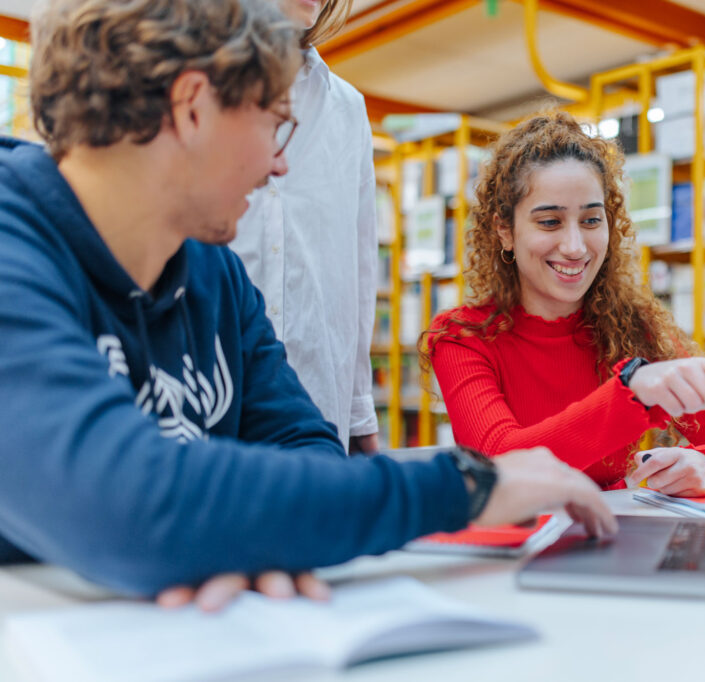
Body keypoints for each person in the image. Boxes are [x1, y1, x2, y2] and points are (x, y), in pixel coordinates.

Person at [0, 0, 615, 607]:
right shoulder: (13, 256)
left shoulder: (216, 275)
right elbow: (123, 503)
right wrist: (468, 487)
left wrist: (253, 535)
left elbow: (308, 449)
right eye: (274, 122)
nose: (279, 162)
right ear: (191, 108)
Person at [422, 112, 705, 497]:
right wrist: (630, 393)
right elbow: (501, 461)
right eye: (550, 222)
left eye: (591, 220)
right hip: (514, 549)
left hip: (611, 540)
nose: (575, 247)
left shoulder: (636, 329)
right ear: (505, 231)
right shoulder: (462, 336)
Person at [232, 0, 381, 454]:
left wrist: (359, 414)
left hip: (319, 402)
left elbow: (356, 269)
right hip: (217, 398)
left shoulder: (348, 108)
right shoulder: (193, 82)